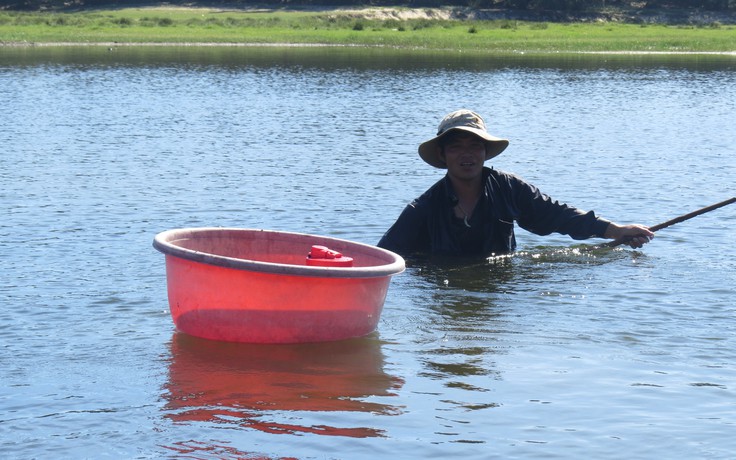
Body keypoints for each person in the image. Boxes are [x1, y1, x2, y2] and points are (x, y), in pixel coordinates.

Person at [377, 109, 653, 258]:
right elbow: (385, 257)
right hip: (444, 287)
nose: (467, 154)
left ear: (485, 152)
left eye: (475, 146)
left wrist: (615, 230)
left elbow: (558, 215)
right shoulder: (423, 208)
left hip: (499, 288)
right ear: (442, 154)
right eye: (456, 147)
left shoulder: (508, 188)